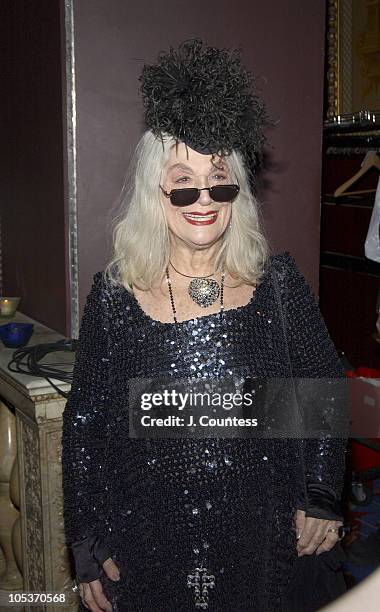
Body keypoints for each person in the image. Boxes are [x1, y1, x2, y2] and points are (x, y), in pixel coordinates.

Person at [61, 39, 350, 612]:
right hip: (148, 546)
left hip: (264, 540)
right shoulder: (115, 298)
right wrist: (88, 538)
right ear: (155, 191)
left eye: (219, 180)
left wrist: (320, 494)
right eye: (182, 181)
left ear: (237, 190)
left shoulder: (278, 283)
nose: (203, 199)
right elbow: (88, 422)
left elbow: (321, 385)